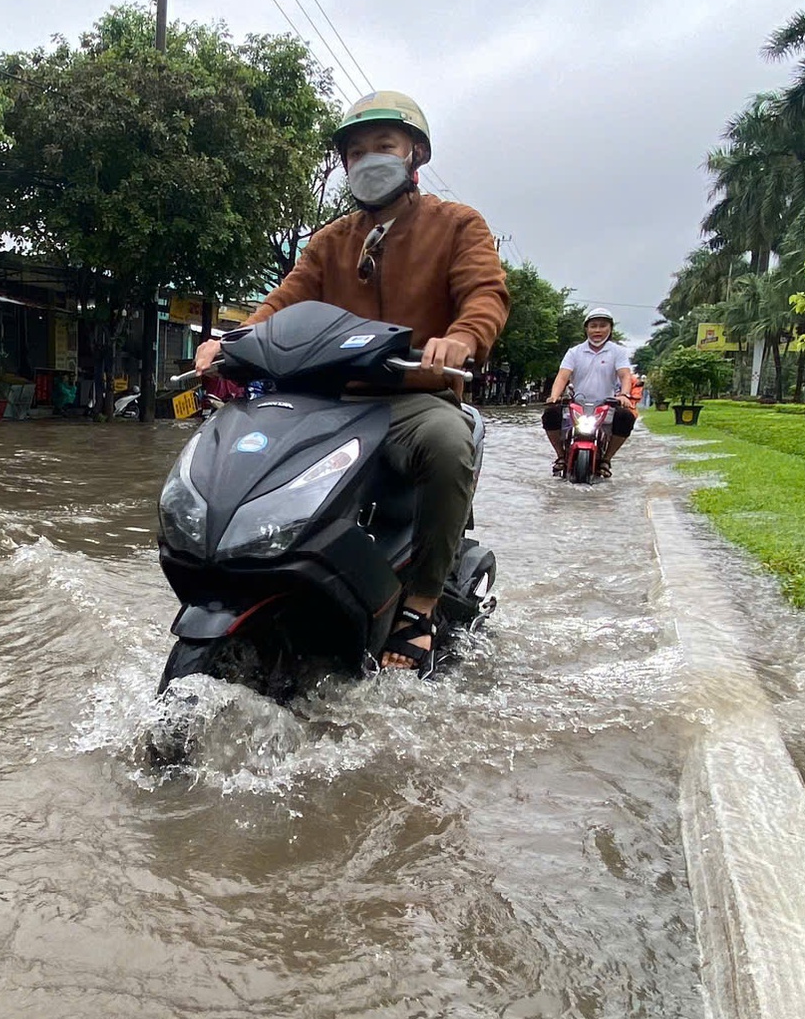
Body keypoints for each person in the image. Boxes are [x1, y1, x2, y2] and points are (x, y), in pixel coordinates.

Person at [196, 90, 508, 675]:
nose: (370, 160)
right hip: (328, 401)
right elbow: (284, 300)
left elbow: (485, 294)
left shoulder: (458, 224)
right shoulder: (330, 240)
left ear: (415, 153)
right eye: (356, 152)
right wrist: (230, 342)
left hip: (413, 397)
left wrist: (461, 339)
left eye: (383, 147)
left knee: (448, 445)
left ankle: (419, 603)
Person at [543, 309, 637, 468]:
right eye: (593, 326)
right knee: (550, 414)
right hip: (577, 406)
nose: (598, 330)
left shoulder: (618, 352)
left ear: (610, 328)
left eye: (602, 326)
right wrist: (554, 396)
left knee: (626, 418)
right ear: (586, 329)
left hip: (606, 406)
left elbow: (624, 375)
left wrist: (624, 395)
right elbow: (562, 376)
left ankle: (606, 459)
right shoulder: (574, 352)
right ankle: (560, 456)